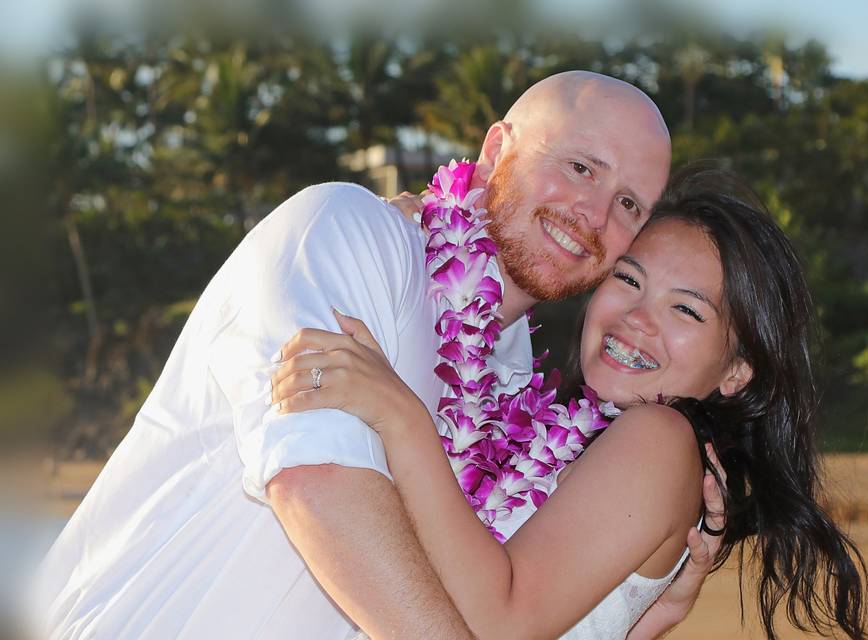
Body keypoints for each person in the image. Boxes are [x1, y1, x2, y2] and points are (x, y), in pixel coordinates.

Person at [32, 71, 721, 639]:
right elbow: (316, 479)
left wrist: (641, 614)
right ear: (496, 150)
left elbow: (505, 603)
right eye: (579, 166)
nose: (595, 214)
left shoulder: (518, 405)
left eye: (629, 202)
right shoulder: (348, 233)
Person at [270, 169, 868, 639]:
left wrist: (400, 416)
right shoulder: (579, 434)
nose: (637, 319)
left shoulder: (659, 438)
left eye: (686, 309)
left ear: (738, 370)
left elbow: (500, 623)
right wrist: (418, 237)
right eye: (629, 280)